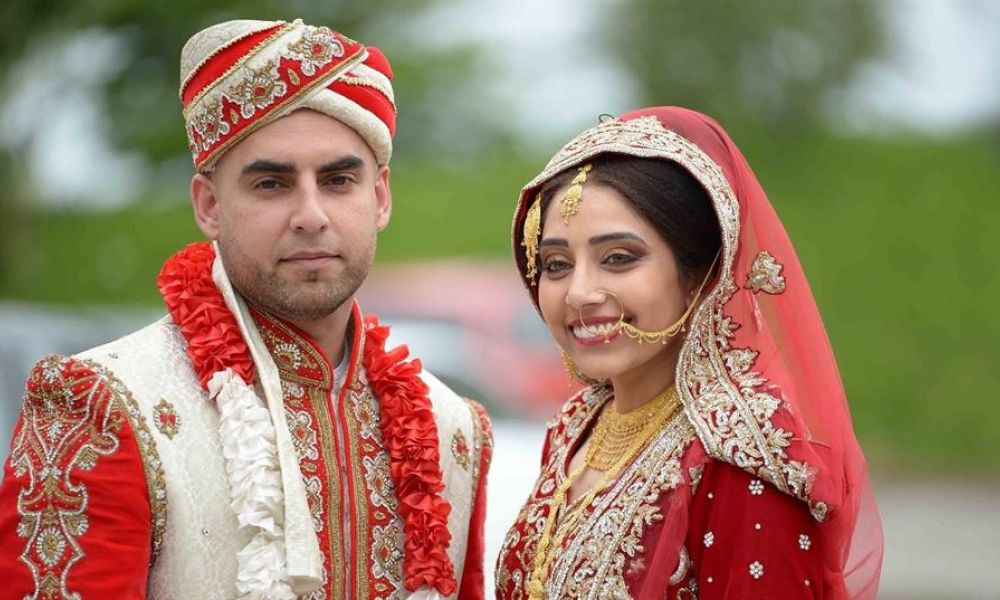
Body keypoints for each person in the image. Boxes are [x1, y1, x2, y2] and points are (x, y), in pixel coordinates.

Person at [0, 18, 491, 600]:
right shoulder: (103, 407)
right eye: (271, 185)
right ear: (209, 205)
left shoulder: (453, 431)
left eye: (338, 180)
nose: (311, 215)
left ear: (379, 197)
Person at [495, 107, 882, 599]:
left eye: (618, 258)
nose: (579, 292)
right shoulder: (576, 428)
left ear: (700, 278)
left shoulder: (742, 464)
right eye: (556, 264)